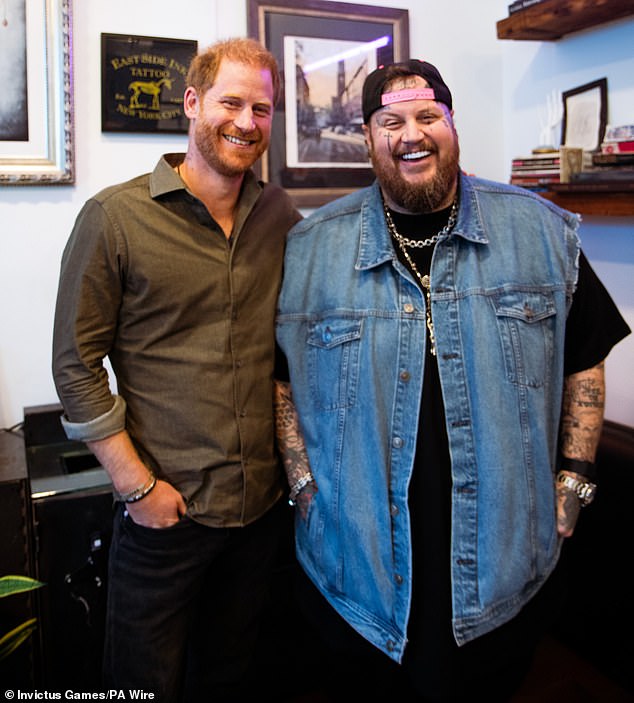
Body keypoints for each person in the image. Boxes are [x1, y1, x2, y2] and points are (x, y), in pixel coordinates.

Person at [273, 59, 630, 701]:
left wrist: (574, 478)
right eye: (391, 121)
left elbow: (586, 355)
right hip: (358, 575)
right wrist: (302, 485)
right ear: (367, 137)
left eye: (427, 116)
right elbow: (282, 380)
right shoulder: (310, 249)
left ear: (451, 123)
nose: (411, 134)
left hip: (503, 567)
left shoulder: (541, 232)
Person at [52, 37, 302, 701]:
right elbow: (75, 365)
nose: (247, 121)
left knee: (230, 677)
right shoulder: (115, 217)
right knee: (141, 685)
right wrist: (138, 490)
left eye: (263, 108)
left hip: (260, 511)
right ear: (192, 103)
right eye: (231, 102)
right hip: (166, 514)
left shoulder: (280, 216)